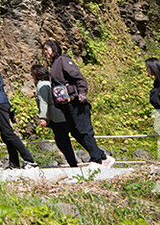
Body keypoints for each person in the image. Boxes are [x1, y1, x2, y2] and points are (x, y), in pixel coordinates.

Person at [43, 40, 115, 169]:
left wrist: (82, 94)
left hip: (76, 101)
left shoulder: (63, 60)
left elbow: (78, 77)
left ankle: (96, 160)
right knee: (75, 132)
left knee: (84, 130)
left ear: (54, 49)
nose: (45, 53)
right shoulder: (55, 64)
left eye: (46, 49)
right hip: (66, 104)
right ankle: (103, 157)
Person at [30, 64, 77, 167]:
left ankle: (73, 163)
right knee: (64, 139)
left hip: (56, 117)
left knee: (62, 141)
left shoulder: (42, 85)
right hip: (61, 114)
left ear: (36, 75)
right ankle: (72, 162)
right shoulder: (50, 83)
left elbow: (43, 102)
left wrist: (43, 117)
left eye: (32, 74)